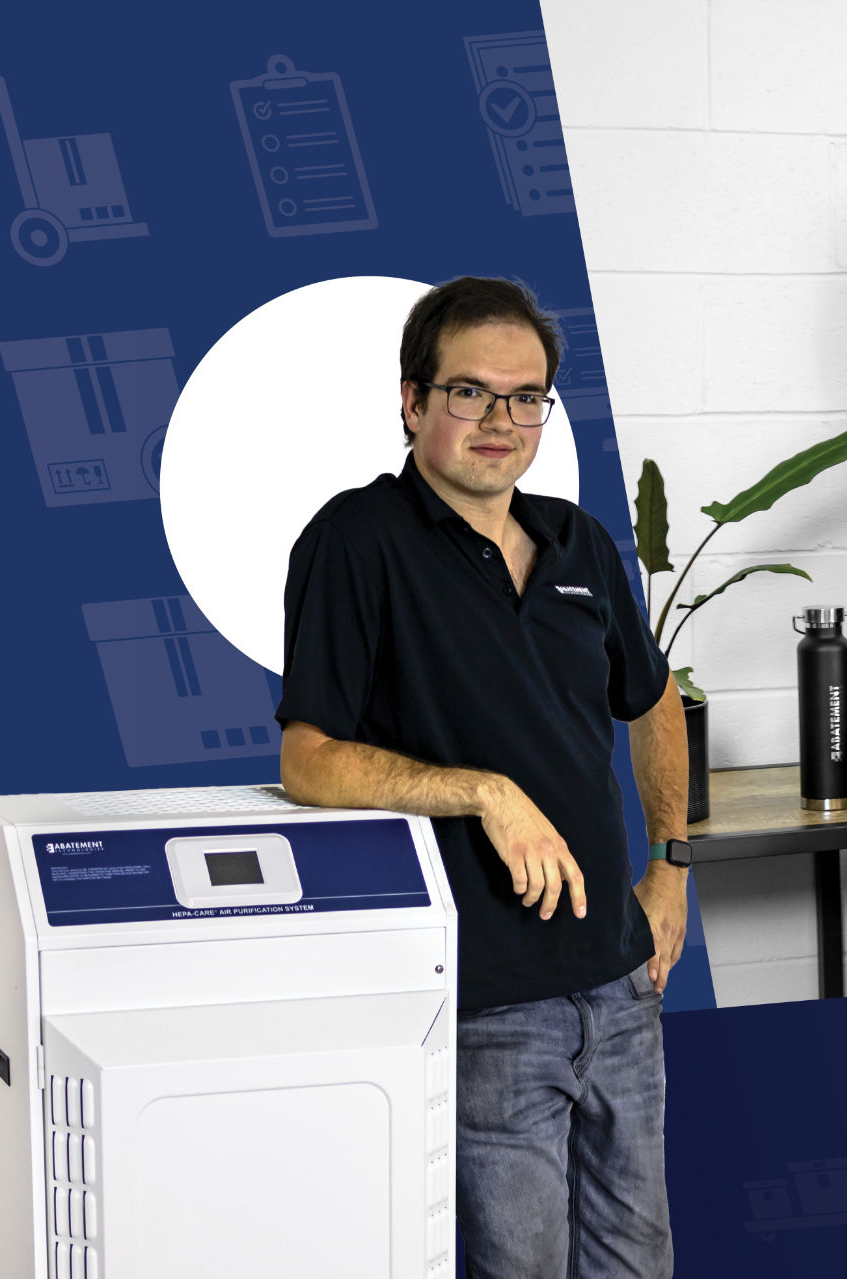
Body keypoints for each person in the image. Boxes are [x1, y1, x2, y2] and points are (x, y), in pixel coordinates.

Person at [275, 276, 689, 1277]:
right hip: (482, 998)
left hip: (620, 979)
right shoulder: (357, 542)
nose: (500, 420)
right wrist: (485, 792)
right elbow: (308, 761)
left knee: (640, 1261)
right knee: (524, 1265)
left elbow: (654, 700)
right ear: (413, 401)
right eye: (470, 393)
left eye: (524, 396)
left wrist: (672, 864)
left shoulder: (580, 540)